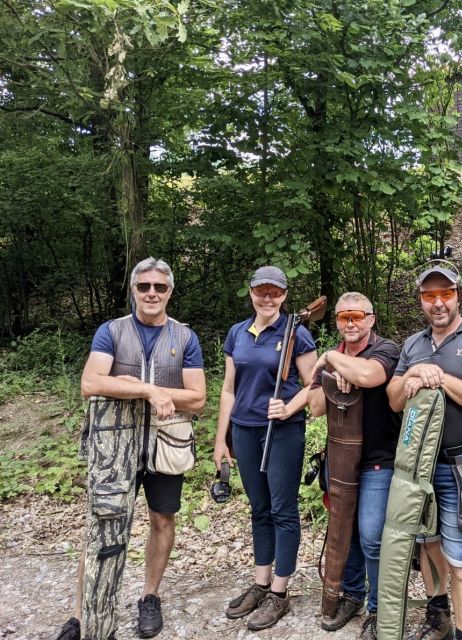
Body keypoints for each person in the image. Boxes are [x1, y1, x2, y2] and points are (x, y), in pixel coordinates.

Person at [56, 257, 206, 640]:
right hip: (113, 447)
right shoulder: (111, 331)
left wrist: (130, 385)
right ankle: (84, 610)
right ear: (134, 291)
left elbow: (198, 398)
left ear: (170, 291)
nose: (151, 293)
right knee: (102, 525)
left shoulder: (185, 338)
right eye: (144, 287)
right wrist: (147, 389)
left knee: (162, 520)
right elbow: (91, 383)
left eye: (159, 287)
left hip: (166, 445)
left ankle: (150, 596)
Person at [387, 263, 462, 640]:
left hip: (461, 467)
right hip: (416, 467)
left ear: (459, 295)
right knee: (427, 545)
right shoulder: (413, 344)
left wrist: (442, 379)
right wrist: (411, 377)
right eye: (429, 296)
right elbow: (392, 401)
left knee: (460, 559)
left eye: (445, 294)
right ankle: (437, 615)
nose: (437, 303)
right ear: (421, 300)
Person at [212, 266, 317, 631]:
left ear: (284, 296)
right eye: (261, 291)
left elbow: (315, 384)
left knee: (282, 509)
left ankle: (280, 592)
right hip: (245, 431)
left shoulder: (296, 334)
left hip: (283, 432)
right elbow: (228, 389)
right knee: (259, 509)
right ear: (252, 293)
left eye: (275, 292)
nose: (267, 298)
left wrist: (289, 406)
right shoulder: (237, 333)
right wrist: (220, 439)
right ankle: (260, 583)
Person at [307, 292, 401, 640]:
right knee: (344, 532)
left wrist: (333, 361)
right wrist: (334, 379)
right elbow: (316, 405)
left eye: (357, 316)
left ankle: (378, 610)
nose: (351, 323)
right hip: (339, 460)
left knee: (373, 538)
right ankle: (352, 595)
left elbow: (372, 376)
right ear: (336, 321)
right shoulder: (335, 358)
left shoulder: (386, 349)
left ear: (371, 319)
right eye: (344, 317)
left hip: (378, 461)